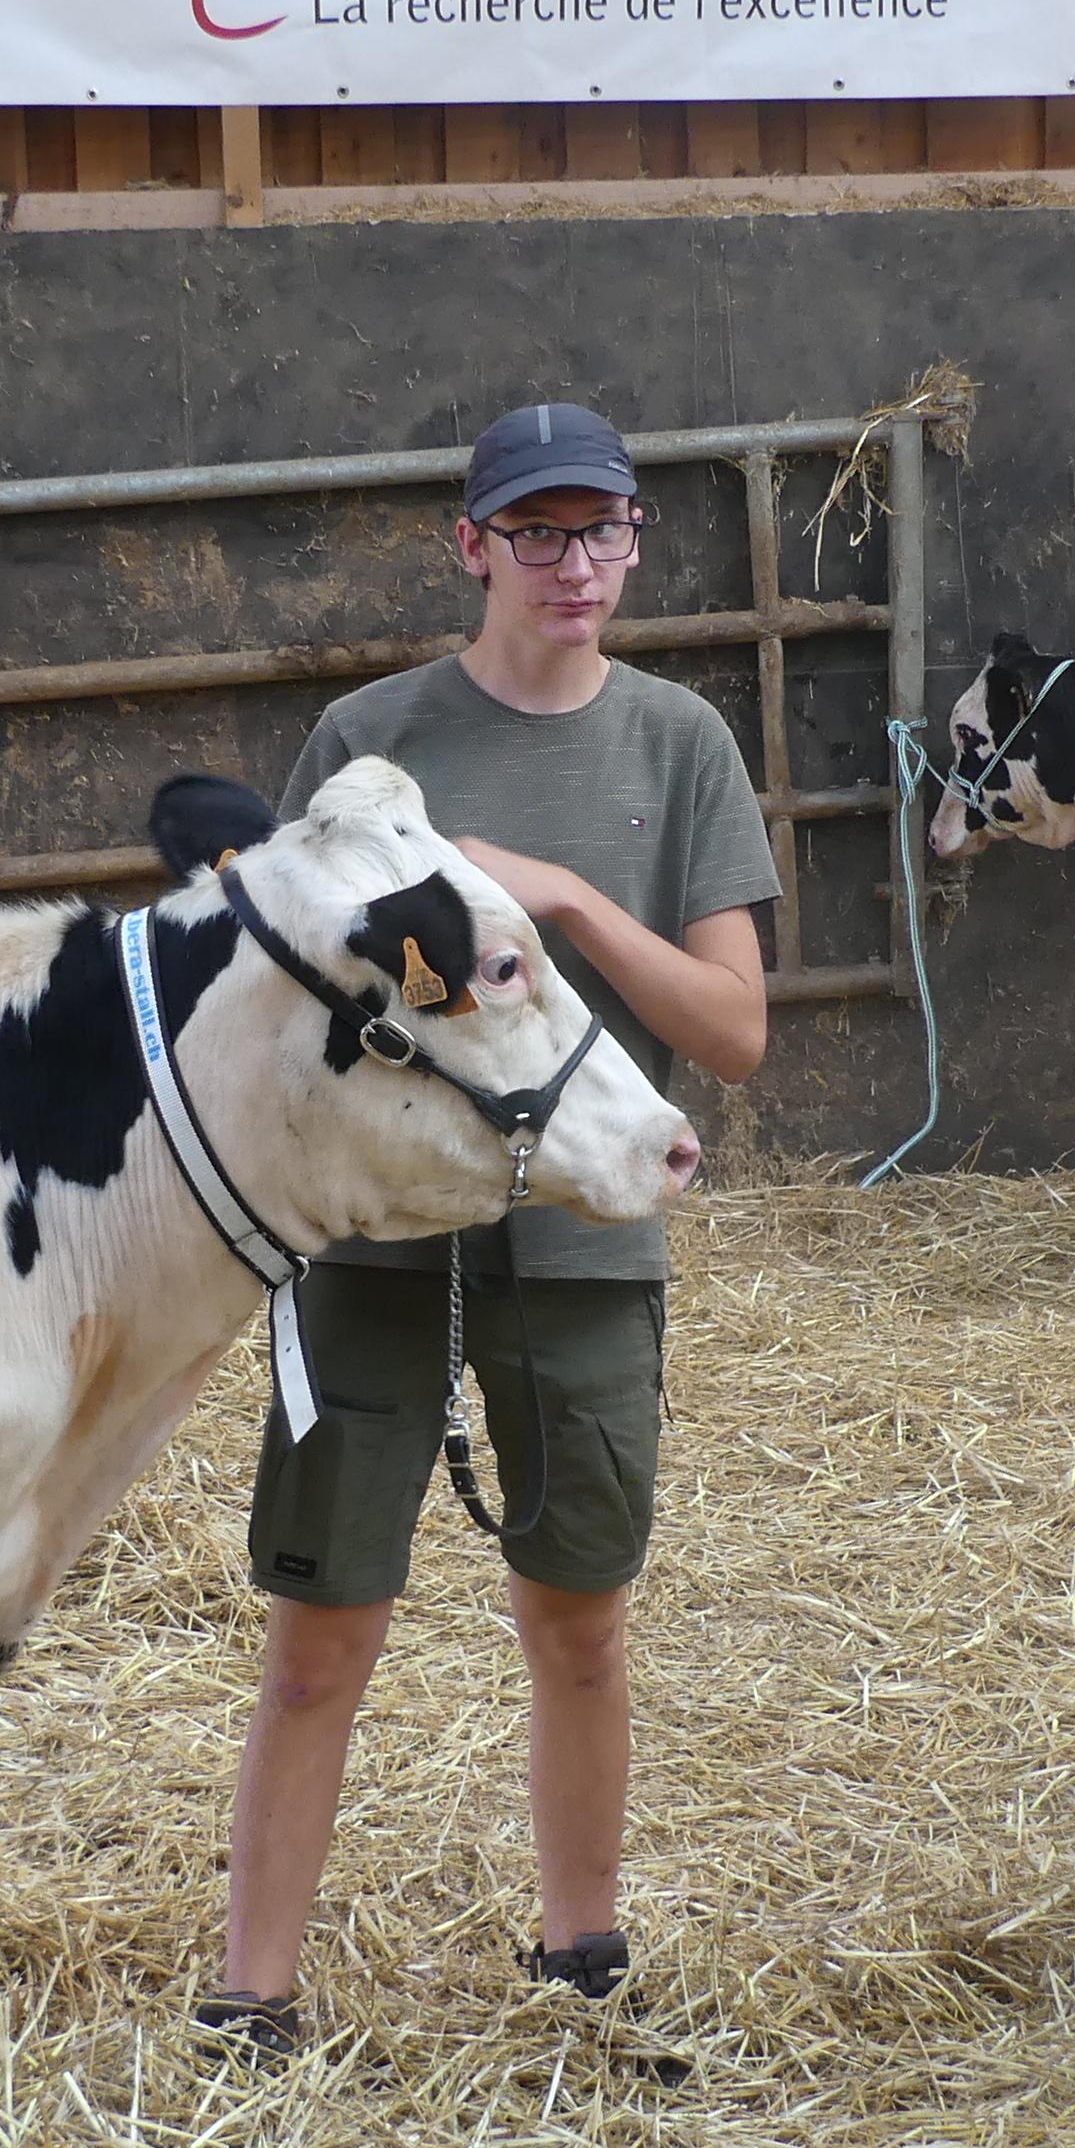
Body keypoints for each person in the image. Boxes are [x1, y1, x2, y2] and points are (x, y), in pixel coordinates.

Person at [197, 403, 780, 2063]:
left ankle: (582, 1954)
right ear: (472, 547)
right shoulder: (372, 740)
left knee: (578, 1612)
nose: (577, 567)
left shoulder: (679, 746)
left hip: (589, 1245)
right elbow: (271, 998)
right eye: (539, 534)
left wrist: (573, 907)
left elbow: (733, 1036)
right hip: (375, 1245)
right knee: (325, 1629)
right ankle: (252, 1994)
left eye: (605, 533)